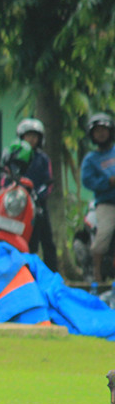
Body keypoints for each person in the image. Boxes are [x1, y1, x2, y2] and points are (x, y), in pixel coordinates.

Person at [5, 118, 57, 271]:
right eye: (29, 136)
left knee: (46, 240)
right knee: (23, 240)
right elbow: (6, 181)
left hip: (39, 205)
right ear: (21, 137)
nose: (32, 139)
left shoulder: (43, 159)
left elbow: (49, 182)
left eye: (35, 136)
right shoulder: (13, 156)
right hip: (18, 206)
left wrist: (39, 195)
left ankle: (51, 273)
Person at [82, 112, 115, 283]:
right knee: (105, 234)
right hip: (106, 204)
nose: (101, 134)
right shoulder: (91, 159)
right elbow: (87, 181)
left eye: (104, 130)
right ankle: (97, 273)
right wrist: (107, 182)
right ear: (92, 136)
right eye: (97, 131)